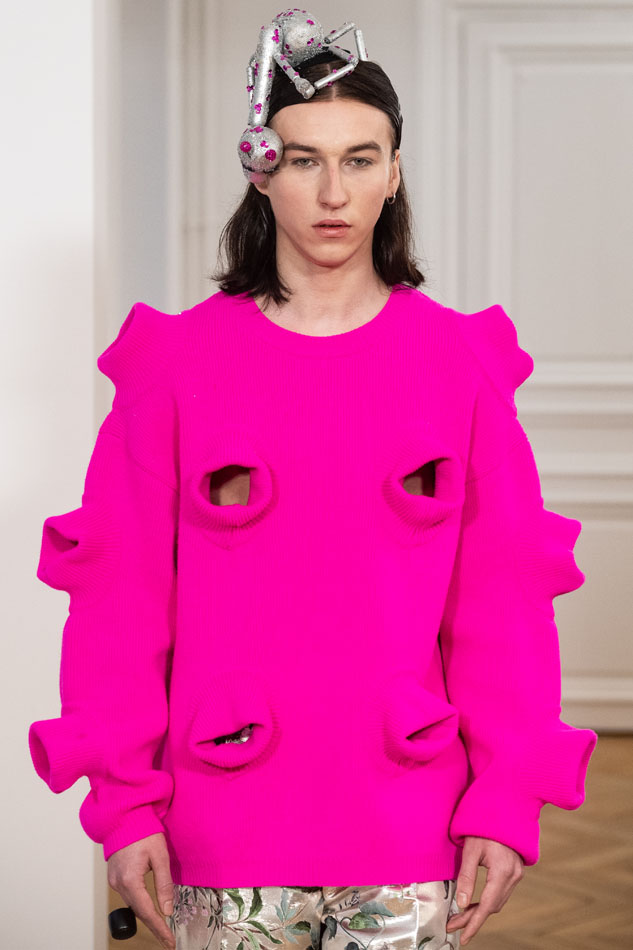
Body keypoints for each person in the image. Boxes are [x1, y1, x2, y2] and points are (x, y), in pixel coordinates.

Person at [28, 13, 598, 950]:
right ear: (261, 171)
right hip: (221, 826)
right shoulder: (176, 367)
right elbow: (120, 607)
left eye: (359, 160)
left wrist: (503, 800)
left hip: (409, 824)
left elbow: (500, 607)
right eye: (303, 161)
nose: (333, 193)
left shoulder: (457, 365)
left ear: (393, 172)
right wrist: (126, 807)